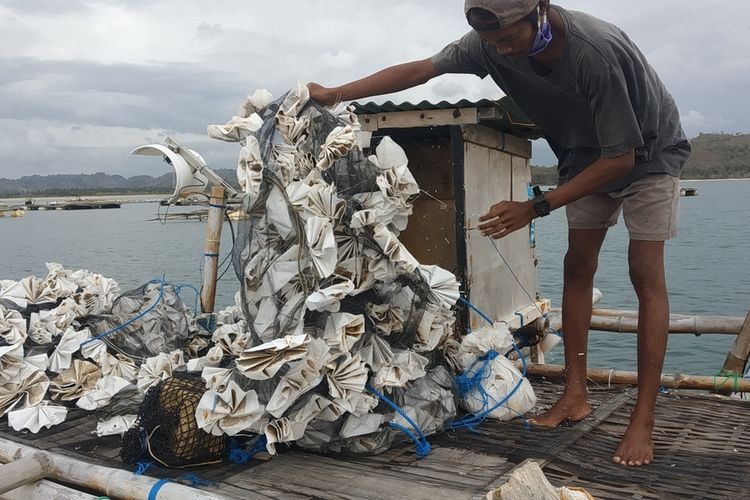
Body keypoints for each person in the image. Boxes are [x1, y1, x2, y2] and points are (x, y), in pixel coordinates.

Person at [308, 0, 690, 467]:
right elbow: (420, 70)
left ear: (540, 11)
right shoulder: (488, 44)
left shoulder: (594, 52)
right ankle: (574, 395)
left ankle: (643, 418)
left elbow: (623, 159)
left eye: (510, 38)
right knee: (577, 266)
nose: (502, 50)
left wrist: (535, 206)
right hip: (586, 154)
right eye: (493, 43)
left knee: (644, 274)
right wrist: (336, 93)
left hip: (647, 152)